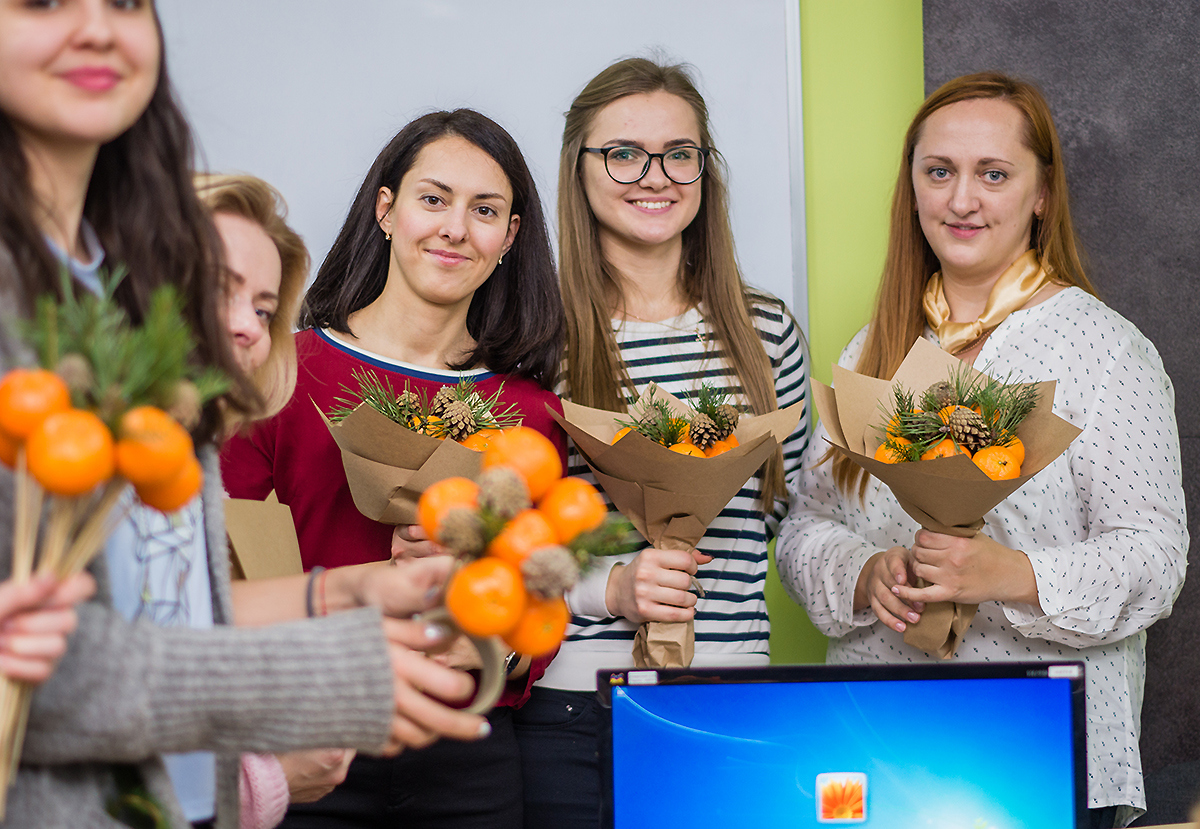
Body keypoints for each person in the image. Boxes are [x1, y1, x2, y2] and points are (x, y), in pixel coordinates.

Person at [0, 2, 488, 826]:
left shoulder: (127, 321)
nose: (97, 28)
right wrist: (324, 675)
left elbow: (162, 614)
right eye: (44, 1)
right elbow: (51, 675)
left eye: (125, 2)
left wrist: (351, 593)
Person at [775, 72, 1187, 829]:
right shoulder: (872, 349)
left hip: (1038, 751)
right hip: (877, 739)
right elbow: (804, 528)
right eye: (940, 172)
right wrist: (865, 572)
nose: (961, 200)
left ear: (1040, 194)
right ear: (914, 189)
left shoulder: (1105, 351)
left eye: (992, 174)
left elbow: (1157, 559)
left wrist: (1015, 573)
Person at [220, 109, 567, 828]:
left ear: (509, 238)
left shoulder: (529, 410)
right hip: (308, 748)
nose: (454, 228)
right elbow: (221, 565)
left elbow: (539, 603)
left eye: (485, 211)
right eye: (432, 199)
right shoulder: (281, 370)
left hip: (465, 760)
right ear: (386, 209)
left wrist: (491, 650)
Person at [513, 57, 811, 828]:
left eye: (681, 154)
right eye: (623, 153)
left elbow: (791, 515)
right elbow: (509, 538)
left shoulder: (766, 331)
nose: (657, 175)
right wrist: (609, 588)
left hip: (733, 701)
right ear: (578, 167)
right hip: (575, 710)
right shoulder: (534, 342)